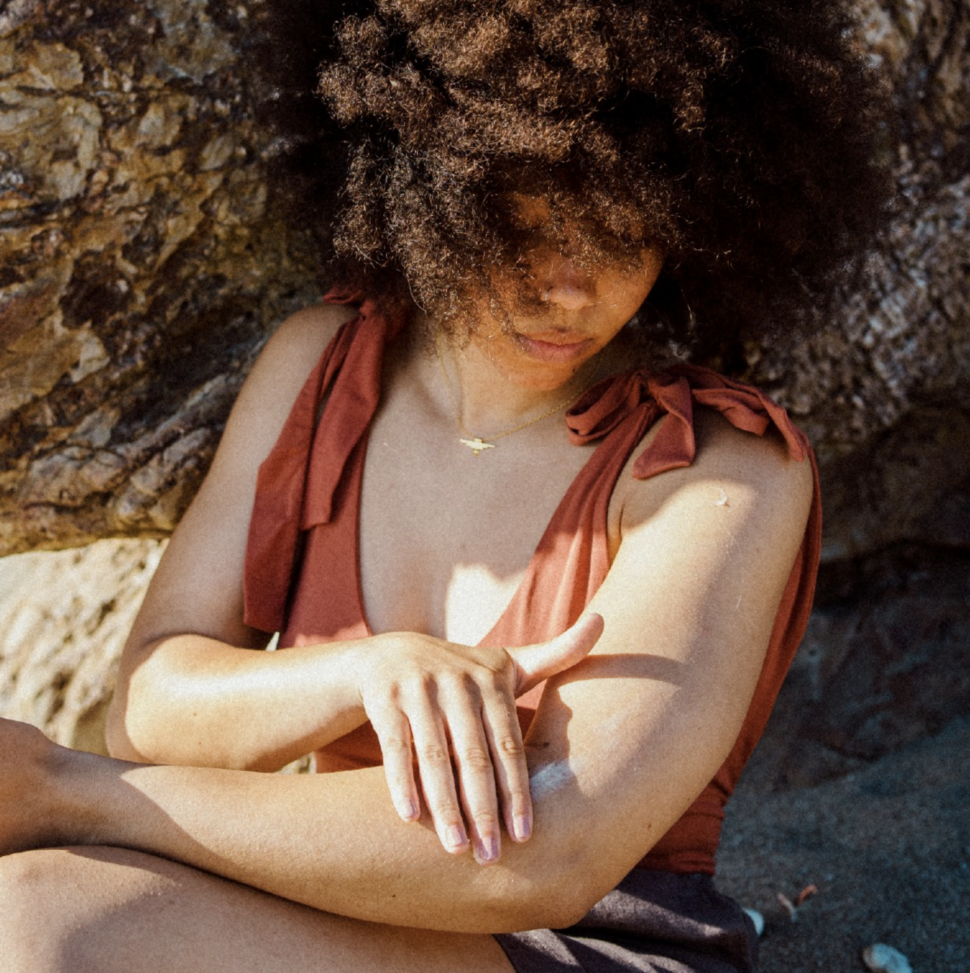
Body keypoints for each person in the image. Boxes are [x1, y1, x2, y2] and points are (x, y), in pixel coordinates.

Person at [0, 1, 890, 970]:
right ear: (428, 195)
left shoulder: (718, 461)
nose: (570, 288)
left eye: (623, 236)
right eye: (524, 229)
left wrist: (71, 791)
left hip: (583, 939)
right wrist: (365, 668)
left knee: (41, 915)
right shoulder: (321, 364)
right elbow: (155, 706)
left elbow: (554, 854)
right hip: (318, 900)